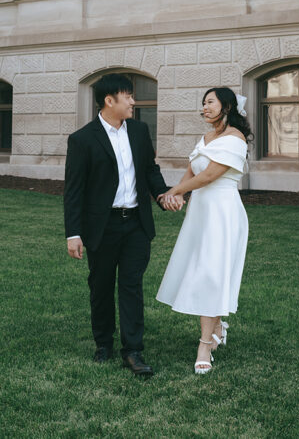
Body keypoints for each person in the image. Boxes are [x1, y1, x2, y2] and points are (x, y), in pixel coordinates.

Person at [63, 73, 174, 377]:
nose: (133, 102)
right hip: (102, 227)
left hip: (136, 223)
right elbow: (74, 191)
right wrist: (73, 233)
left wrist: (163, 195)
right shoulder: (82, 139)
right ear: (109, 100)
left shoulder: (139, 131)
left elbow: (150, 171)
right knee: (100, 287)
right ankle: (103, 343)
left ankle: (133, 350)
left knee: (131, 286)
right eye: (128, 97)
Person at [156, 86, 250, 374]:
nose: (204, 107)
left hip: (222, 212)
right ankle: (218, 326)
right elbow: (193, 170)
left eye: (210, 102)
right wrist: (177, 196)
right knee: (203, 270)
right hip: (201, 212)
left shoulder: (236, 139)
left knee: (211, 273)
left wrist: (173, 191)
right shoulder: (206, 137)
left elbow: (210, 175)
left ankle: (205, 345)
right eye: (203, 103)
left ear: (227, 106)